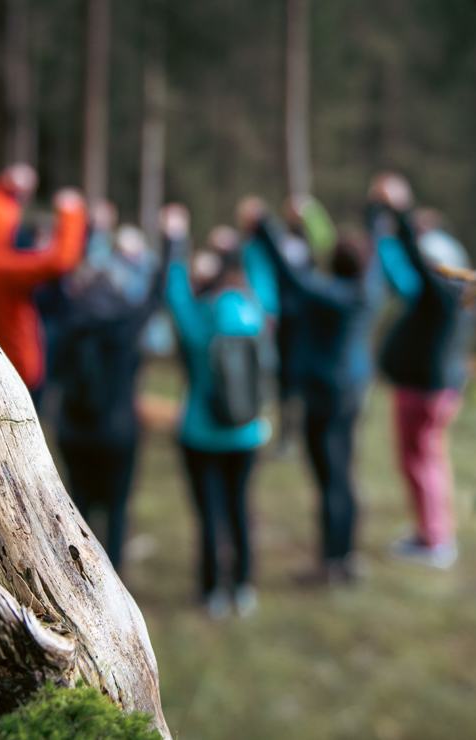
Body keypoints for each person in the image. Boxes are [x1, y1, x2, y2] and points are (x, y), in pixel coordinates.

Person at [242, 198, 377, 584]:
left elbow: (289, 276)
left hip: (327, 398)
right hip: (352, 393)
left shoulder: (332, 297)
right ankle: (346, 555)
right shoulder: (367, 289)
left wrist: (263, 226)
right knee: (344, 474)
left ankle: (332, 563)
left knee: (330, 478)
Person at [53, 208, 176, 570]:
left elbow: (56, 273)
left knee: (80, 505)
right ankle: (114, 576)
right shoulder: (127, 321)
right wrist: (171, 240)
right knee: (117, 508)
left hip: (74, 431)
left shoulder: (69, 321)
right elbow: (157, 294)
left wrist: (83, 225)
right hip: (119, 431)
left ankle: (80, 574)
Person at [368, 172, 476, 570]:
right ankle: (432, 532)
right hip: (438, 388)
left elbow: (412, 253)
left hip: (425, 389)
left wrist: (397, 209)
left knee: (420, 463)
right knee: (428, 462)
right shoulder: (455, 298)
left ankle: (435, 541)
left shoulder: (441, 295)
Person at [167, 213, 272, 618]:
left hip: (201, 432)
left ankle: (212, 590)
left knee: (210, 513)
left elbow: (173, 293)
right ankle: (243, 587)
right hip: (248, 431)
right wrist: (249, 235)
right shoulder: (255, 309)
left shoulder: (199, 318)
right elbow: (263, 272)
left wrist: (174, 242)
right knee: (240, 507)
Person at [0, 164, 87, 398]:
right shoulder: (4, 268)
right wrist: (71, 211)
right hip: (16, 369)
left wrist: (5, 186)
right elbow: (62, 260)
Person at [271, 194, 340, 456]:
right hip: (285, 318)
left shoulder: (311, 241)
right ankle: (287, 435)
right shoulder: (281, 240)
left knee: (305, 377)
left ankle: (307, 432)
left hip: (307, 319)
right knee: (285, 378)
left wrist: (311, 212)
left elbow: (328, 241)